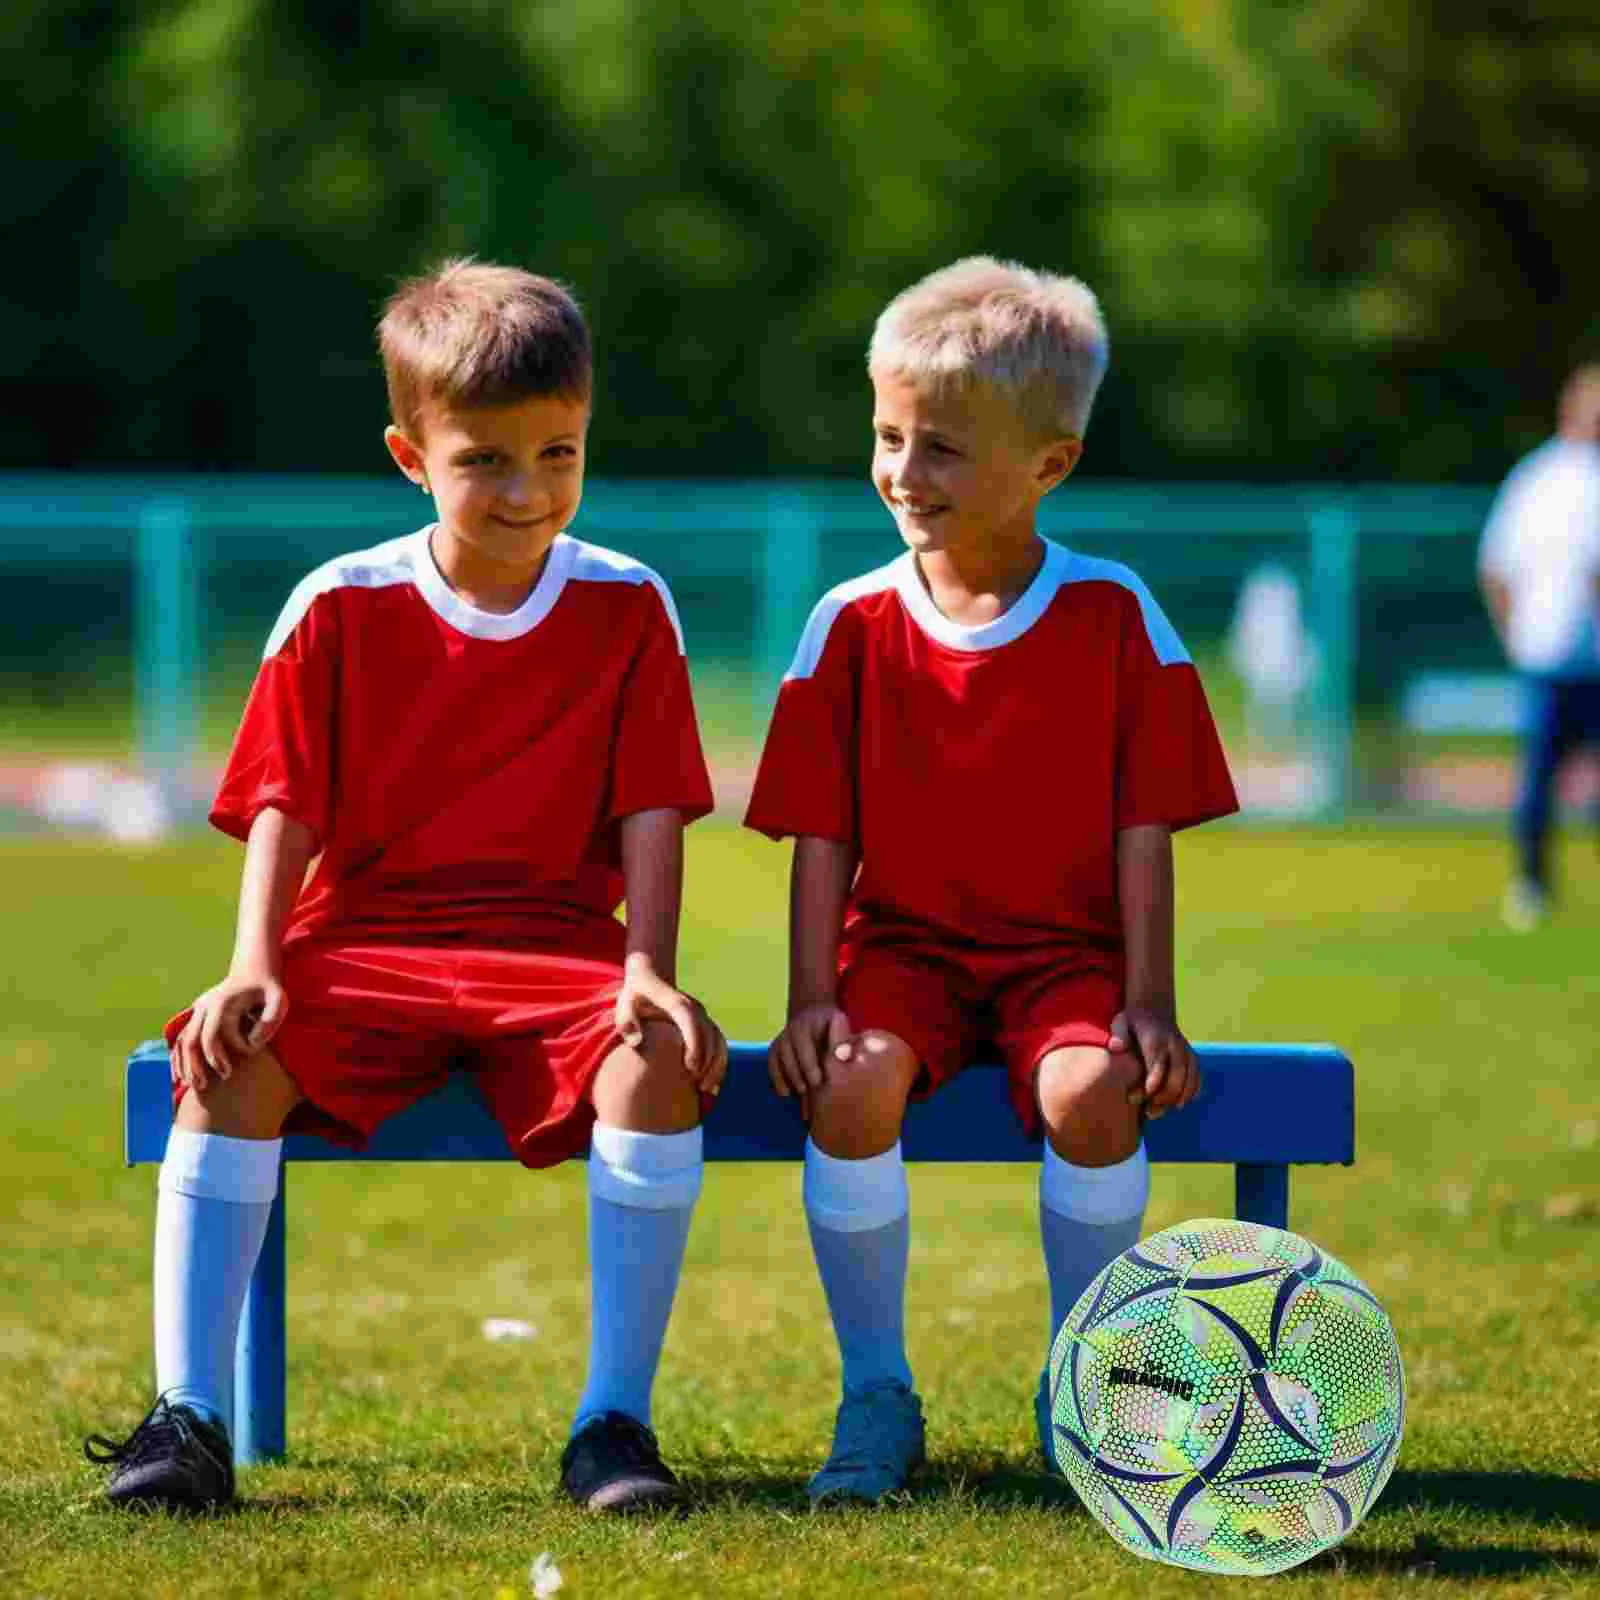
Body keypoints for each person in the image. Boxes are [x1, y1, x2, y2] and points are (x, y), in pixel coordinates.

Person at [84, 260, 727, 1515]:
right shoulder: (338, 603)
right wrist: (255, 961)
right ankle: (188, 1421)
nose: (528, 490)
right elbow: (287, 802)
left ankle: (613, 1424)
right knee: (225, 1056)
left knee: (651, 1059)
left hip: (554, 951)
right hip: (363, 944)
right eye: (485, 459)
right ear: (408, 454)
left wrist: (648, 961)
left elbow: (654, 804)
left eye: (559, 451)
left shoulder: (630, 604)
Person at [744, 257, 1238, 1505]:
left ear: (1048, 467)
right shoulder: (847, 623)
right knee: (848, 1091)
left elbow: (1145, 830)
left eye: (945, 448)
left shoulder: (1117, 616)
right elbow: (820, 838)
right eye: (889, 436)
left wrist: (1149, 1002)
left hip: (1062, 965)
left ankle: (1086, 1389)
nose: (905, 473)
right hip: (897, 957)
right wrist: (812, 999)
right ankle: (875, 1393)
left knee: (1091, 1093)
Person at [1477, 364, 1600, 930]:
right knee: (1538, 782)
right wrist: (1515, 637)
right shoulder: (1539, 479)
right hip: (1547, 656)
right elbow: (1497, 566)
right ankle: (1532, 884)